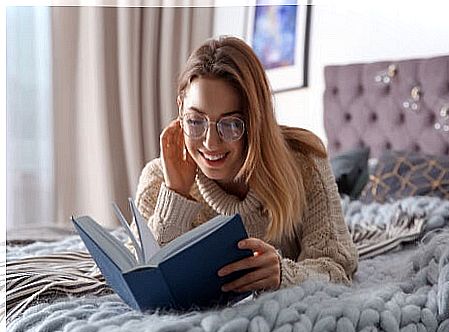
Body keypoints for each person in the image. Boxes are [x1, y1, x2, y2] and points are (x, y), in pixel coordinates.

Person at [131, 35, 358, 294]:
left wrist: (285, 274)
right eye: (195, 121)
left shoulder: (305, 163)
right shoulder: (159, 178)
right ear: (180, 108)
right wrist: (176, 194)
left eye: (230, 124)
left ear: (255, 121)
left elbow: (338, 267)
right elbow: (142, 278)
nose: (210, 143)